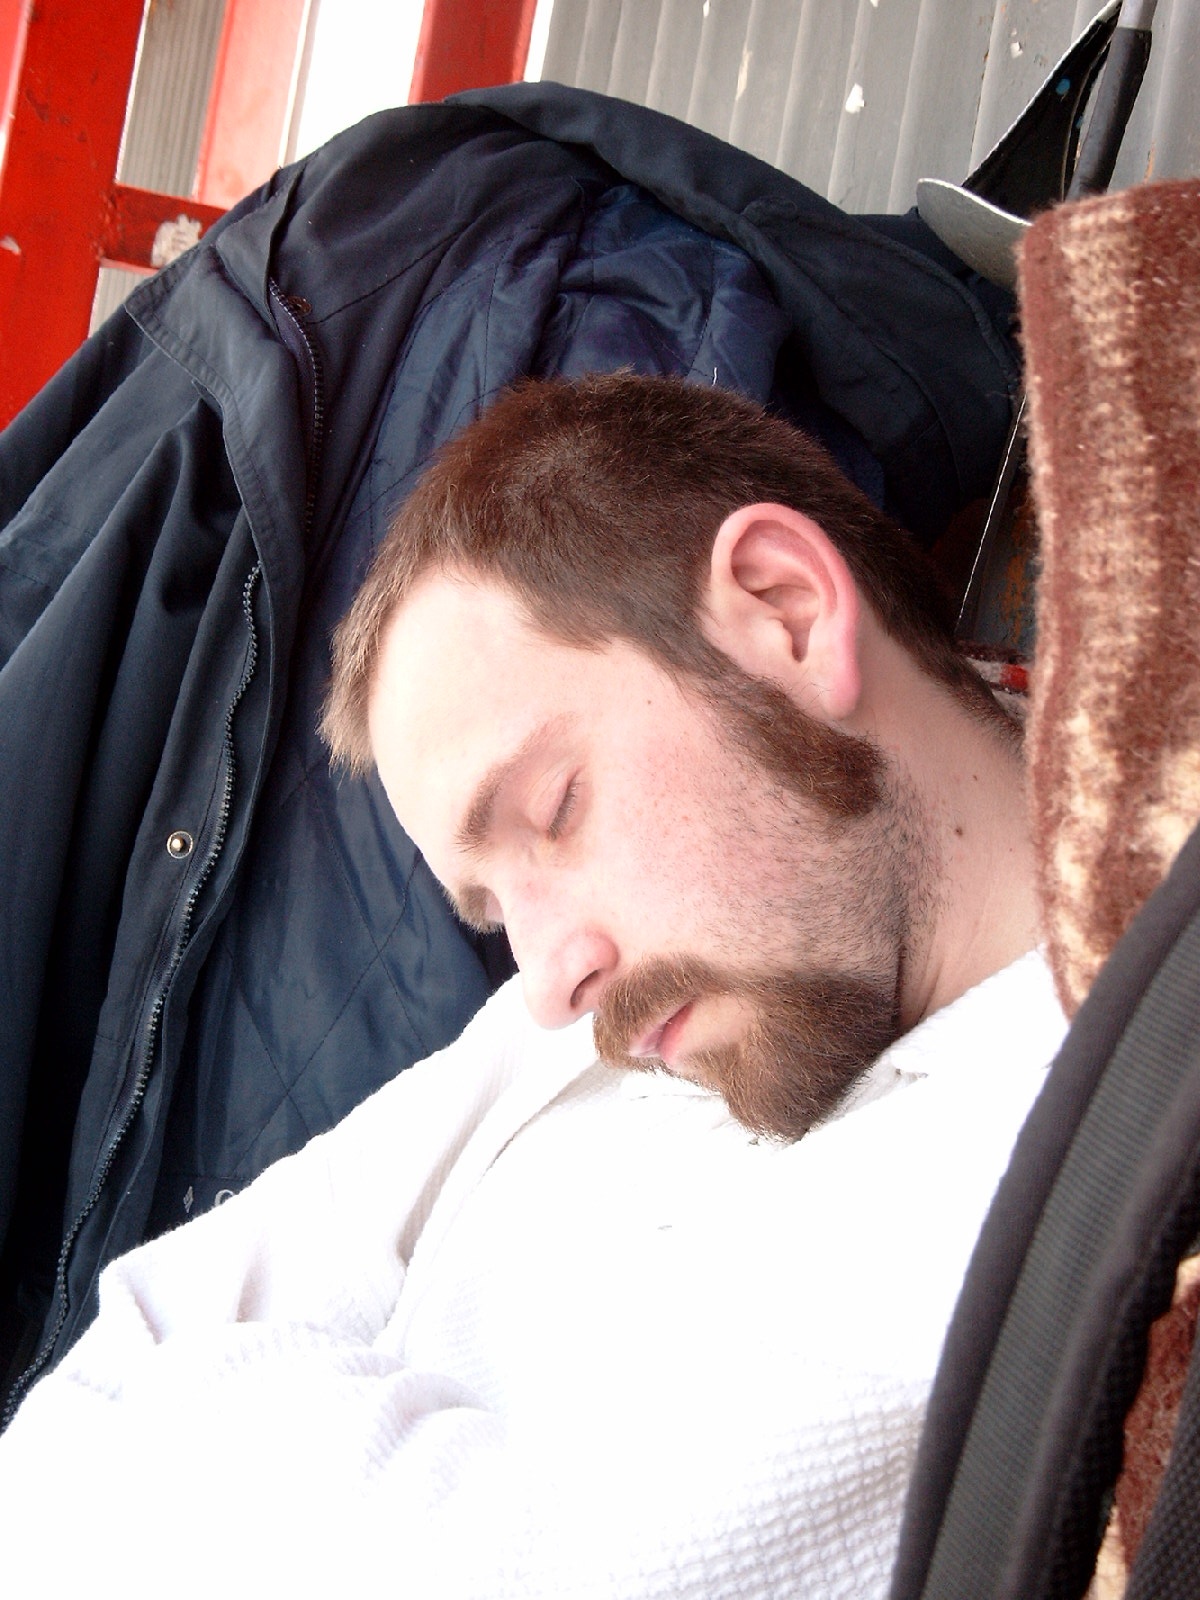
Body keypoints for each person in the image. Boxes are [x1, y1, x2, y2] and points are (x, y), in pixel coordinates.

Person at [0, 374, 1065, 1599]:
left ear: (787, 610)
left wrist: (200, 1403)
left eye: (555, 810)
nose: (551, 983)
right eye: (493, 909)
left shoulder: (1029, 1171)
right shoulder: (633, 991)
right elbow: (82, 1399)